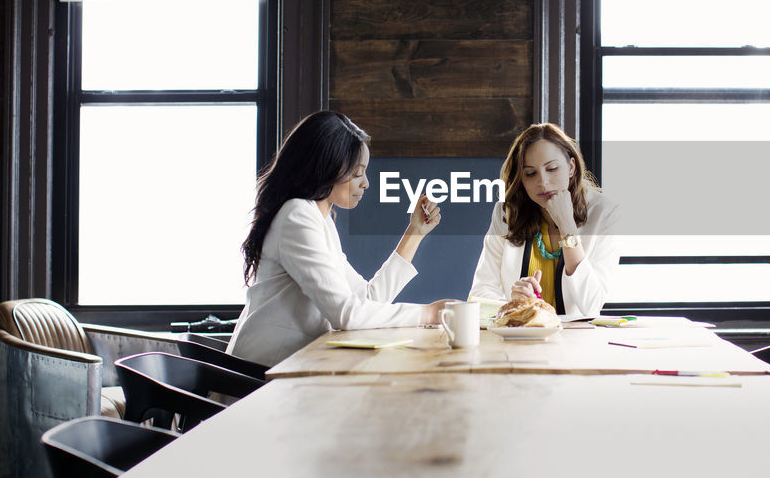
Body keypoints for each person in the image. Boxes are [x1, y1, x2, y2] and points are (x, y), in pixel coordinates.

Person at [228, 111, 450, 366]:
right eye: (357, 173)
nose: (366, 183)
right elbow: (346, 315)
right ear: (325, 168)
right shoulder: (297, 216)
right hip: (259, 379)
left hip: (292, 369)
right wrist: (428, 313)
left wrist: (415, 233)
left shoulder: (320, 220)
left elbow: (366, 300)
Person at [469, 123, 620, 316]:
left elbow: (591, 306)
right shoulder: (506, 213)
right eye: (530, 173)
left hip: (577, 341)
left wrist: (567, 225)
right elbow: (479, 295)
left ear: (571, 167)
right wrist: (512, 303)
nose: (543, 182)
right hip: (519, 339)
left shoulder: (604, 213)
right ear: (521, 179)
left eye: (552, 169)